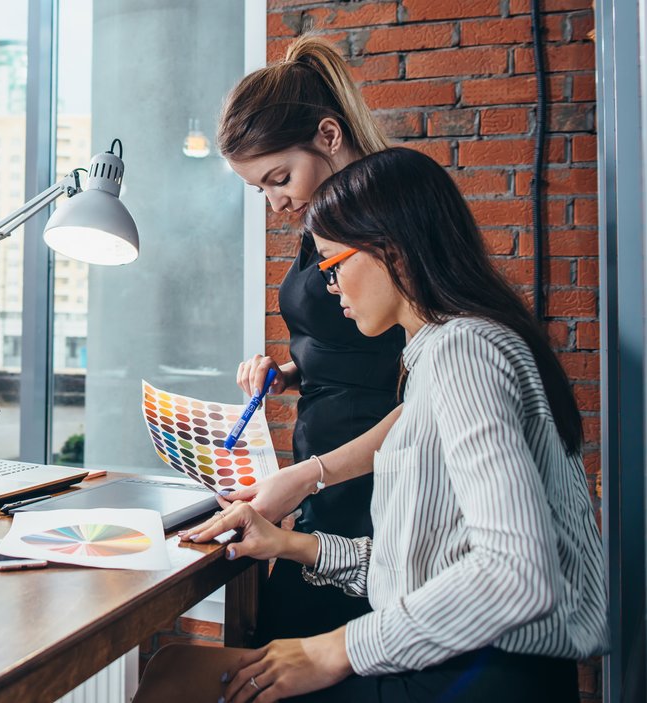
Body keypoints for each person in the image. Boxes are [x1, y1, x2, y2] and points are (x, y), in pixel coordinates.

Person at [174, 148, 607, 702]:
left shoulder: (464, 351)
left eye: (332, 265)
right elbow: (420, 568)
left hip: (478, 674)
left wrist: (335, 649)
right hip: (468, 663)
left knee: (179, 680)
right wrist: (290, 544)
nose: (331, 289)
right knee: (180, 671)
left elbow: (515, 575)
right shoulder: (447, 353)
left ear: (391, 251)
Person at [213, 36, 405, 648]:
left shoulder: (384, 221)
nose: (276, 203)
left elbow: (430, 391)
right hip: (322, 474)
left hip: (375, 474)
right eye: (260, 191)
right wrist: (290, 372)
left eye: (279, 178)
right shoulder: (321, 219)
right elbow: (352, 344)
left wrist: (306, 479)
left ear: (328, 135)